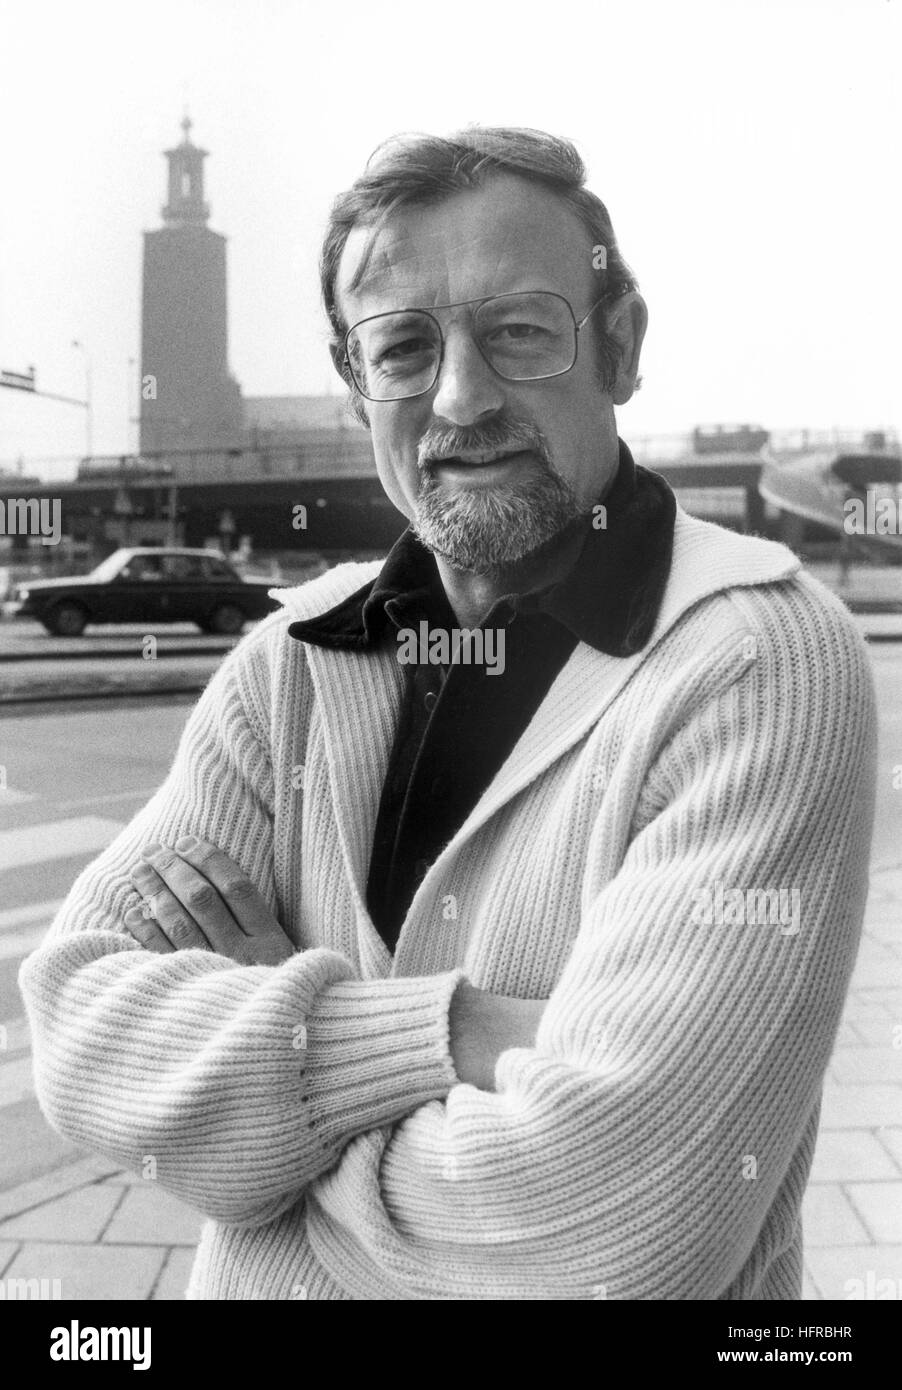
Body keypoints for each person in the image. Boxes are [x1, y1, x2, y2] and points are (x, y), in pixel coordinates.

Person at [20, 127, 877, 1300]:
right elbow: (78, 1030)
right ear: (353, 380)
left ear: (618, 347)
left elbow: (617, 1232)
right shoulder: (293, 658)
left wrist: (270, 1093)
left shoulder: (753, 661)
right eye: (403, 347)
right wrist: (460, 1032)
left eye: (520, 330)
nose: (460, 397)